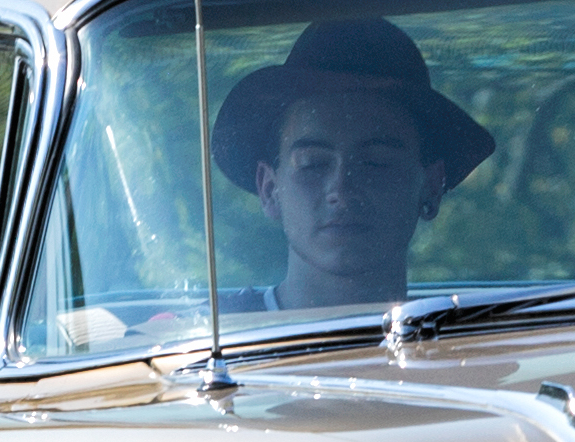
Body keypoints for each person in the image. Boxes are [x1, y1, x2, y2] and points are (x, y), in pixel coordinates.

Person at [210, 16, 494, 323]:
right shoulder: (197, 344)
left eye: (376, 162)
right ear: (269, 190)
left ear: (431, 187)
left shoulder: (476, 352)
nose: (341, 192)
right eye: (313, 164)